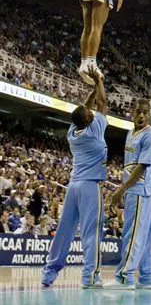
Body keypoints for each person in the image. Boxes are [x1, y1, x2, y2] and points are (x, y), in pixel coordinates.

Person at [42, 67, 108, 288]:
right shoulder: (95, 130)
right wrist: (98, 81)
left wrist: (92, 89)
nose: (92, 113)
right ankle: (90, 276)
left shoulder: (74, 133)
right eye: (90, 114)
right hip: (90, 186)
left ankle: (49, 272)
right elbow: (102, 104)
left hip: (73, 186)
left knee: (64, 230)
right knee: (91, 232)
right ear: (89, 120)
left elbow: (87, 108)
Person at [105, 99, 151, 290]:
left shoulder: (149, 136)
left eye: (145, 112)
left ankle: (124, 276)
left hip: (140, 190)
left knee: (133, 234)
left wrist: (121, 189)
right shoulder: (130, 133)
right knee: (143, 236)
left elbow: (142, 167)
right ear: (131, 112)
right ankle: (147, 277)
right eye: (138, 112)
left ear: (150, 113)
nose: (141, 115)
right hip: (141, 190)